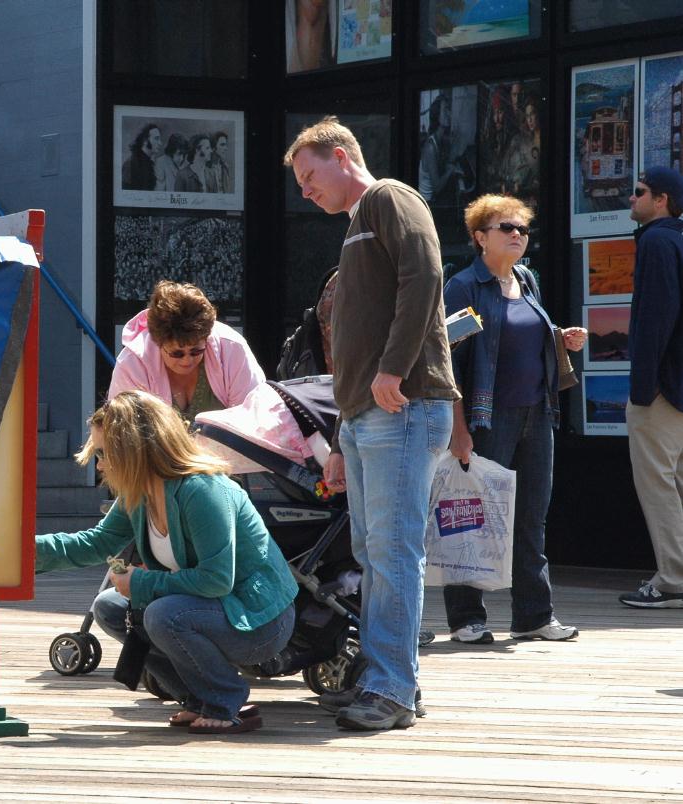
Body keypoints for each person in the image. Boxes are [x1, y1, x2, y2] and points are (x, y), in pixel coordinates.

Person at [284, 116, 458, 730]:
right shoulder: (358, 226)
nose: (306, 190)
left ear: (340, 156)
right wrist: (338, 438)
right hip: (366, 416)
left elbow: (426, 276)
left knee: (390, 552)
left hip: (399, 406)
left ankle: (390, 688)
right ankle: (392, 681)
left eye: (310, 175)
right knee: (374, 552)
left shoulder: (388, 197)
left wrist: (393, 370)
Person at [36, 391, 297, 734]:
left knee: (160, 614)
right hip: (211, 610)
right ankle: (196, 698)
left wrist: (141, 584)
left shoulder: (201, 490)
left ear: (134, 450)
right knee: (109, 606)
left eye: (104, 453)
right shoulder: (139, 491)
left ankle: (225, 700)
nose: (99, 465)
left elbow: (217, 579)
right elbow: (95, 544)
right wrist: (20, 550)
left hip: (258, 622)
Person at [443, 194, 584, 643]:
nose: (518, 236)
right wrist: (458, 428)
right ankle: (466, 618)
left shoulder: (527, 280)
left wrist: (561, 338)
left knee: (530, 516)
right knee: (473, 514)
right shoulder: (464, 287)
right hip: (487, 417)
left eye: (522, 228)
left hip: (537, 413)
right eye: (507, 228)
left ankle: (533, 615)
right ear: (480, 237)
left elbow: (522, 337)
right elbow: (447, 362)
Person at [620, 167, 683, 608]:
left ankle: (674, 578)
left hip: (662, 389)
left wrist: (642, 388)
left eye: (638, 192)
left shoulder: (658, 241)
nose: (631, 198)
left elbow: (656, 318)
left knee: (659, 484)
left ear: (660, 200)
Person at [108, 280, 266, 421]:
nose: (187, 360)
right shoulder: (132, 364)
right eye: (177, 353)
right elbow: (121, 437)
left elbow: (253, 420)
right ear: (158, 342)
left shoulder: (232, 349)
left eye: (196, 351)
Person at [122, 123, 161, 191]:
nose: (160, 143)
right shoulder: (130, 164)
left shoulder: (148, 163)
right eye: (156, 139)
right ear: (145, 141)